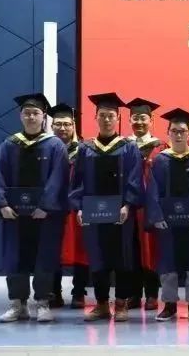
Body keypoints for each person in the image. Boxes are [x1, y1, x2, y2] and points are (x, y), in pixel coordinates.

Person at [70, 93, 144, 322]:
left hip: (121, 214)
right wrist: (79, 207)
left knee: (123, 258)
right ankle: (102, 304)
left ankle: (121, 304)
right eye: (102, 115)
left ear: (118, 118)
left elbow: (134, 179)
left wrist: (128, 204)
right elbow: (77, 181)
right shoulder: (86, 148)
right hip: (93, 213)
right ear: (96, 118)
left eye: (111, 116)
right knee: (97, 257)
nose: (106, 120)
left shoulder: (129, 148)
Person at [0, 93, 70, 323]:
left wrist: (46, 206)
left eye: (35, 113)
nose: (31, 117)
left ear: (43, 116)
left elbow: (58, 178)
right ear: (20, 116)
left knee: (44, 257)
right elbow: (0, 177)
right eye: (26, 113)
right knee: (15, 257)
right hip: (15, 215)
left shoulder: (55, 145)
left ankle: (42, 303)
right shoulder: (9, 144)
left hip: (45, 215)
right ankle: (17, 304)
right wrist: (3, 204)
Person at [146, 108, 189, 322]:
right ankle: (169, 304)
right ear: (168, 133)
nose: (178, 135)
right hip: (168, 222)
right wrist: (157, 216)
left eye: (182, 131)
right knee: (168, 261)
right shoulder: (160, 160)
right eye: (174, 131)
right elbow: (153, 190)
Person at [49, 102, 90, 309]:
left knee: (81, 248)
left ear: (73, 126)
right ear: (51, 126)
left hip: (77, 207)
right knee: (53, 249)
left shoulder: (84, 150)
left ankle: (79, 292)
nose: (62, 128)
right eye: (58, 124)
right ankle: (54, 292)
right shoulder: (46, 148)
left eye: (66, 124)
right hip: (53, 207)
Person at [126, 97, 165, 311]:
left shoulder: (160, 147)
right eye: (135, 118)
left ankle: (151, 294)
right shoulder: (124, 146)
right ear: (129, 120)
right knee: (131, 248)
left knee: (152, 249)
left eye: (143, 118)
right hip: (129, 206)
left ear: (151, 120)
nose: (139, 122)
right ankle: (133, 294)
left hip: (151, 206)